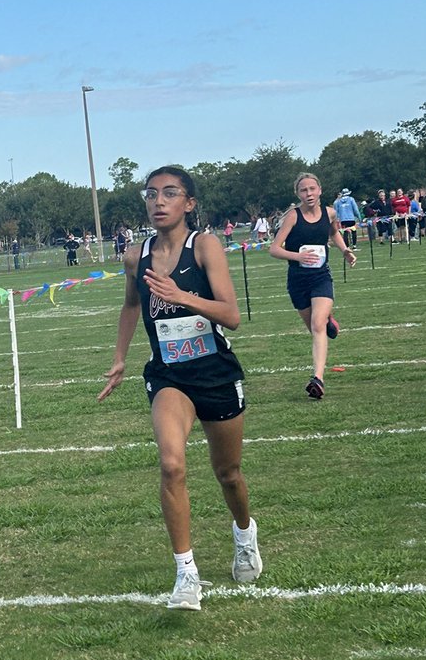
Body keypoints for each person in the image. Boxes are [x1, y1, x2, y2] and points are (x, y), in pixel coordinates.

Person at [98, 165, 261, 611]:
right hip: (169, 375)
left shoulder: (205, 246)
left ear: (189, 203)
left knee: (228, 474)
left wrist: (182, 295)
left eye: (170, 194)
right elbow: (132, 305)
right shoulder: (136, 255)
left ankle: (244, 533)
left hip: (216, 374)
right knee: (171, 464)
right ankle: (186, 574)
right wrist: (119, 358)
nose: (158, 202)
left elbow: (231, 315)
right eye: (150, 194)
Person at [269, 172, 356, 400]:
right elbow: (274, 248)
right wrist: (297, 256)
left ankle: (317, 379)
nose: (308, 194)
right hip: (297, 280)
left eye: (312, 189)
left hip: (321, 277)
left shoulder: (330, 213)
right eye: (303, 190)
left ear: (320, 190)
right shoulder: (292, 217)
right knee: (315, 328)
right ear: (298, 194)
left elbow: (334, 233)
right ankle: (328, 319)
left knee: (317, 326)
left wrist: (345, 250)